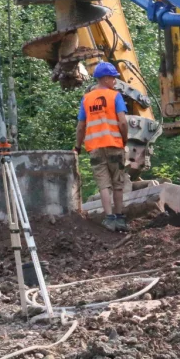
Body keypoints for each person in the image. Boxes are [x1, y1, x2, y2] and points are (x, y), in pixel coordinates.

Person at [75, 62, 129, 232]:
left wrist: (77, 146)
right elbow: (123, 122)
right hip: (114, 145)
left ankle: (109, 218)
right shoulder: (115, 97)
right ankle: (120, 218)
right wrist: (124, 139)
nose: (114, 81)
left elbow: (81, 126)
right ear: (105, 78)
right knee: (118, 183)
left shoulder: (87, 99)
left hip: (95, 148)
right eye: (113, 77)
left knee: (103, 184)